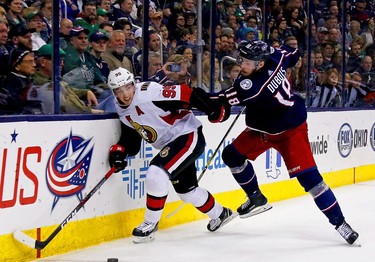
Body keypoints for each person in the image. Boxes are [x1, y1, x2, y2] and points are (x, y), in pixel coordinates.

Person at [214, 40, 359, 245]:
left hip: (290, 130)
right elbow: (293, 53)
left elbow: (219, 99)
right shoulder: (275, 57)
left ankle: (340, 223)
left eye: (247, 62)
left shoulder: (252, 86)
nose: (242, 65)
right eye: (242, 60)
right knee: (231, 155)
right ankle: (255, 197)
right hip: (263, 128)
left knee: (311, 181)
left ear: (260, 64)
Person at [106, 67, 236, 243]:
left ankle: (150, 224)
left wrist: (212, 108)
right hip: (171, 144)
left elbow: (188, 93)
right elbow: (133, 139)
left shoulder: (149, 92)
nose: (125, 94)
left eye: (128, 87)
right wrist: (121, 151)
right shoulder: (120, 108)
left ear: (133, 84)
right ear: (114, 92)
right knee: (187, 192)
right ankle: (220, 214)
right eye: (119, 91)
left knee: (156, 173)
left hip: (187, 135)